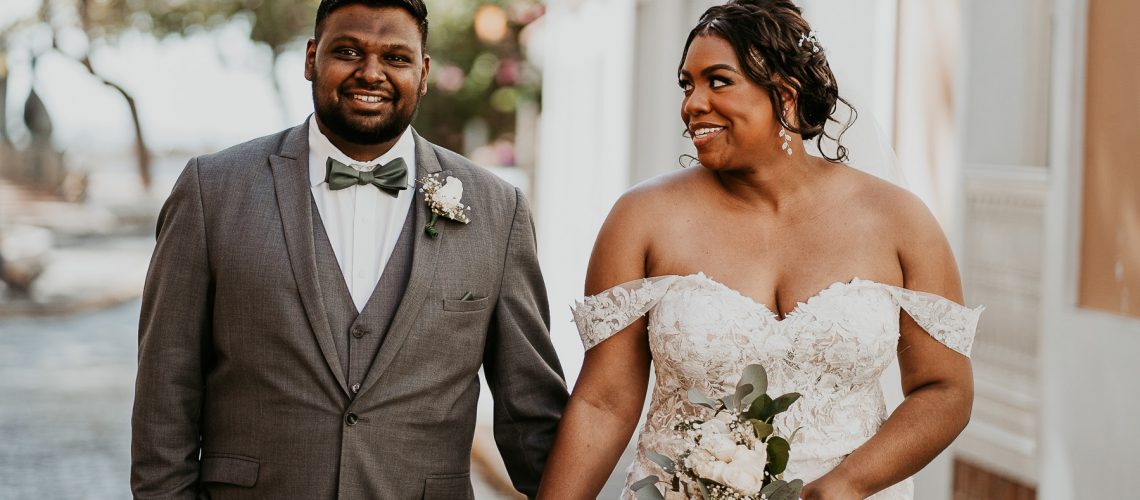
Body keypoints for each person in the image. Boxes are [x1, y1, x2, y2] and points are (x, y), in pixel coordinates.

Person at [536, 1, 981, 499]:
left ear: (785, 96)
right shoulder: (642, 219)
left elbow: (946, 389)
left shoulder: (899, 220)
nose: (693, 103)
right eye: (688, 84)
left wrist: (848, 484)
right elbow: (604, 404)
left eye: (718, 81)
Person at [130, 1, 568, 498]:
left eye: (396, 58)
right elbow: (165, 390)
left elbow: (529, 411)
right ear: (311, 58)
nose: (371, 73)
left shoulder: (497, 209)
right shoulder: (213, 190)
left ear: (423, 73)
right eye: (348, 51)